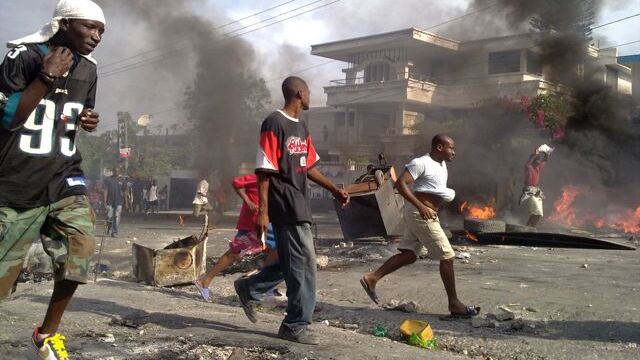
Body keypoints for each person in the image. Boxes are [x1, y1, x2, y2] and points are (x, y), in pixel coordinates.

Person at [0, 1, 105, 358]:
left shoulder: (89, 70)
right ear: (63, 23)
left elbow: (71, 115)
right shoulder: (23, 56)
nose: (96, 37)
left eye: (101, 31)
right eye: (89, 27)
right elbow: (9, 118)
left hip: (63, 176)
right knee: (2, 279)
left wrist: (85, 121)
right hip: (16, 181)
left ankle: (46, 334)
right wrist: (46, 77)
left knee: (81, 247)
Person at [234, 76, 349, 345]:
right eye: (309, 91)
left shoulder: (301, 127)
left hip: (299, 201)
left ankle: (250, 288)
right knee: (305, 264)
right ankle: (295, 325)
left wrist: (334, 189)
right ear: (300, 93)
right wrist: (263, 210)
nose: (311, 95)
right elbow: (264, 170)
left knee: (293, 262)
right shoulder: (274, 122)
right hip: (285, 203)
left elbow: (309, 166)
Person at [359, 135, 481, 319]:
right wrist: (421, 206)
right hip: (421, 214)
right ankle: (454, 303)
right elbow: (400, 183)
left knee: (409, 255)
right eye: (451, 148)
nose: (454, 152)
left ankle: (372, 278)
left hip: (426, 213)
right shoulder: (420, 163)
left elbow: (432, 189)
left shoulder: (441, 164)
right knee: (447, 256)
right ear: (439, 147)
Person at [193, 173, 278, 301]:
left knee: (275, 250)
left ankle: (262, 284)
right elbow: (236, 182)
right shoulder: (261, 175)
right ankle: (205, 280)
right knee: (235, 252)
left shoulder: (280, 178)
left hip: (269, 220)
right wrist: (248, 201)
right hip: (253, 221)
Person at [519, 144, 553, 227]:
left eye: (539, 160)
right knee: (535, 212)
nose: (538, 161)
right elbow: (529, 161)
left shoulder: (538, 168)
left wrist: (546, 153)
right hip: (529, 191)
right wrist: (535, 154)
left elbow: (545, 160)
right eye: (537, 160)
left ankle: (530, 228)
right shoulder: (529, 167)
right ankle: (528, 228)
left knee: (539, 213)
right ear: (533, 161)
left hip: (537, 191)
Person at [103, 165, 123, 237]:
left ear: (119, 172)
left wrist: (127, 202)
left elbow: (125, 191)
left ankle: (114, 232)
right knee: (109, 216)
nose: (116, 172)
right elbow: (106, 190)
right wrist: (104, 200)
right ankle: (109, 227)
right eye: (115, 171)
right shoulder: (108, 180)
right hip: (110, 201)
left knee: (117, 216)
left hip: (119, 201)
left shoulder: (121, 180)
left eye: (118, 171)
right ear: (113, 171)